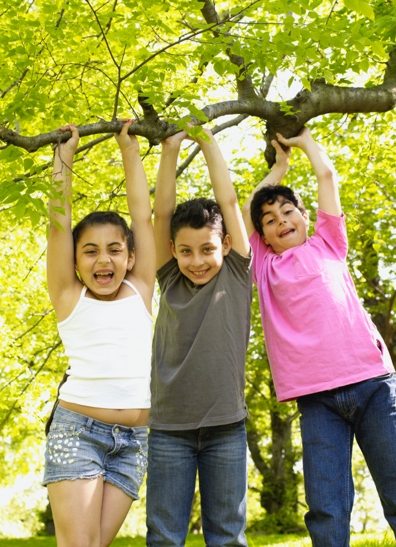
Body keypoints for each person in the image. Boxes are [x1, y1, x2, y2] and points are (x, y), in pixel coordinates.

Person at [242, 127, 396, 547]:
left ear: (304, 215)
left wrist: (305, 141)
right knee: (327, 511)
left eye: (288, 212)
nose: (281, 221)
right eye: (270, 221)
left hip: (373, 385)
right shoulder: (263, 265)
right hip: (317, 400)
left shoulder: (328, 243)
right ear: (264, 236)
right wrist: (278, 169)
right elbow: (246, 211)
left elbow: (327, 176)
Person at [43, 120, 156, 547]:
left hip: (135, 442)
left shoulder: (140, 288)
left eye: (114, 250)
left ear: (131, 257)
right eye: (90, 251)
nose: (103, 260)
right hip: (78, 432)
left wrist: (129, 149)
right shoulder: (69, 296)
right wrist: (63, 156)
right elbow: (58, 224)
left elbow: (142, 215)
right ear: (74, 261)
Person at [146, 127, 252, 546]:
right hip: (169, 427)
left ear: (225, 245)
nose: (196, 261)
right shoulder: (169, 276)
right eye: (186, 251)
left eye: (207, 249)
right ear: (173, 249)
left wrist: (207, 141)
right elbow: (161, 215)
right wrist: (170, 149)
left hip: (226, 426)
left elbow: (229, 202)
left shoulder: (236, 272)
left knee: (227, 536)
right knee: (164, 536)